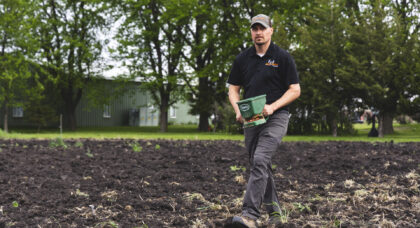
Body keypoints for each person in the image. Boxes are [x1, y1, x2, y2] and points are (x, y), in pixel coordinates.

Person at [228, 14, 301, 228]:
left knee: (260, 159)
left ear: (271, 30)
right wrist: (237, 108)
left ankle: (249, 215)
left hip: (276, 116)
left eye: (262, 28)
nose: (258, 32)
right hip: (252, 119)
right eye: (254, 29)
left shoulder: (282, 57)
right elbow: (233, 88)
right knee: (261, 164)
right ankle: (276, 215)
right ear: (251, 32)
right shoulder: (242, 59)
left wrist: (273, 106)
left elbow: (295, 90)